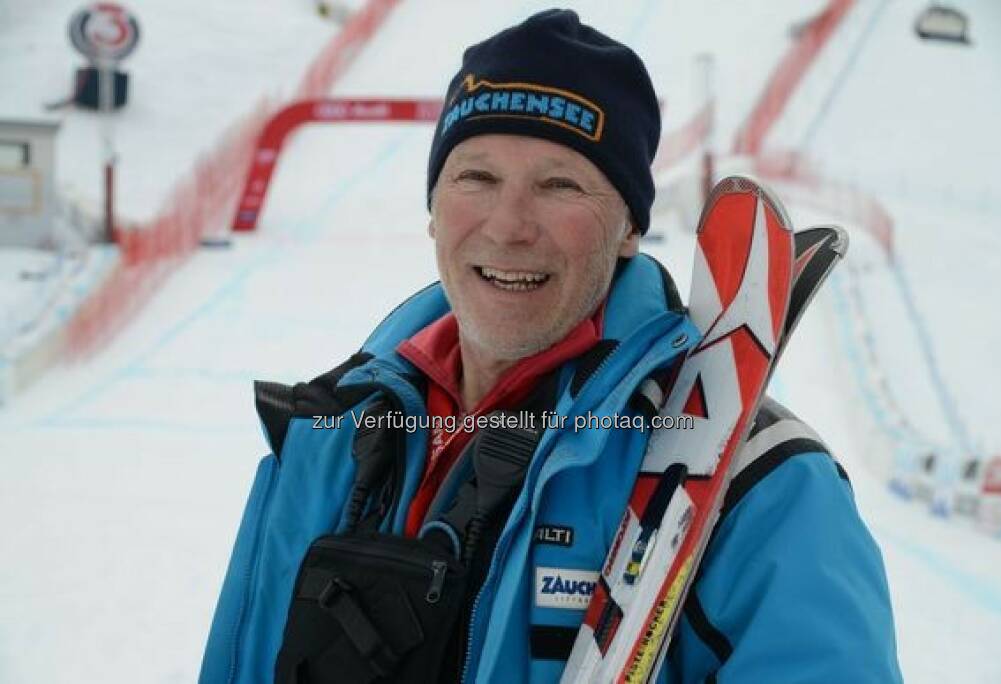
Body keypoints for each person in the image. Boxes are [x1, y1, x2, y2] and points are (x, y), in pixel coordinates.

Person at [199, 9, 902, 683]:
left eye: (560, 185)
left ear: (628, 229)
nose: (508, 226)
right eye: (476, 177)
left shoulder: (762, 483)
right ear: (433, 207)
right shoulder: (327, 434)